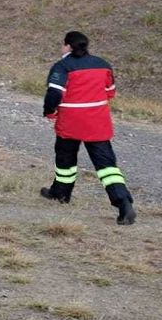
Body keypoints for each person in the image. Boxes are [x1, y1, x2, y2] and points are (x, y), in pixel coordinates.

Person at [40, 31, 136, 225]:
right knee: (107, 165)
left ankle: (61, 194)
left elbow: (54, 94)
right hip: (98, 122)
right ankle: (124, 203)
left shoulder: (62, 66)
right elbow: (110, 92)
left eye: (62, 44)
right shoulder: (103, 64)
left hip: (71, 121)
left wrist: (50, 112)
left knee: (65, 159)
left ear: (67, 46)